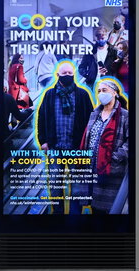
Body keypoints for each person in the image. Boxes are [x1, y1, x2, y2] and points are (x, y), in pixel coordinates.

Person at [37, 62, 93, 214]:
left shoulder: (82, 95)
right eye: (64, 73)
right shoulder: (49, 95)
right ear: (58, 75)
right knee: (55, 184)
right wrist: (43, 141)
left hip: (76, 148)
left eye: (70, 73)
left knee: (76, 185)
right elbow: (41, 118)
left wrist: (87, 144)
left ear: (74, 74)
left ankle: (75, 216)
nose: (68, 76)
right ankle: (58, 214)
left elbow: (91, 120)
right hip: (55, 148)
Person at [79, 79, 128, 214]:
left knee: (108, 209)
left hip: (110, 169)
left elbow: (131, 142)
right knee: (94, 208)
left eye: (104, 90)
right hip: (91, 168)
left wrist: (115, 157)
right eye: (99, 91)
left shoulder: (125, 116)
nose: (101, 93)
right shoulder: (94, 114)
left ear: (115, 93)